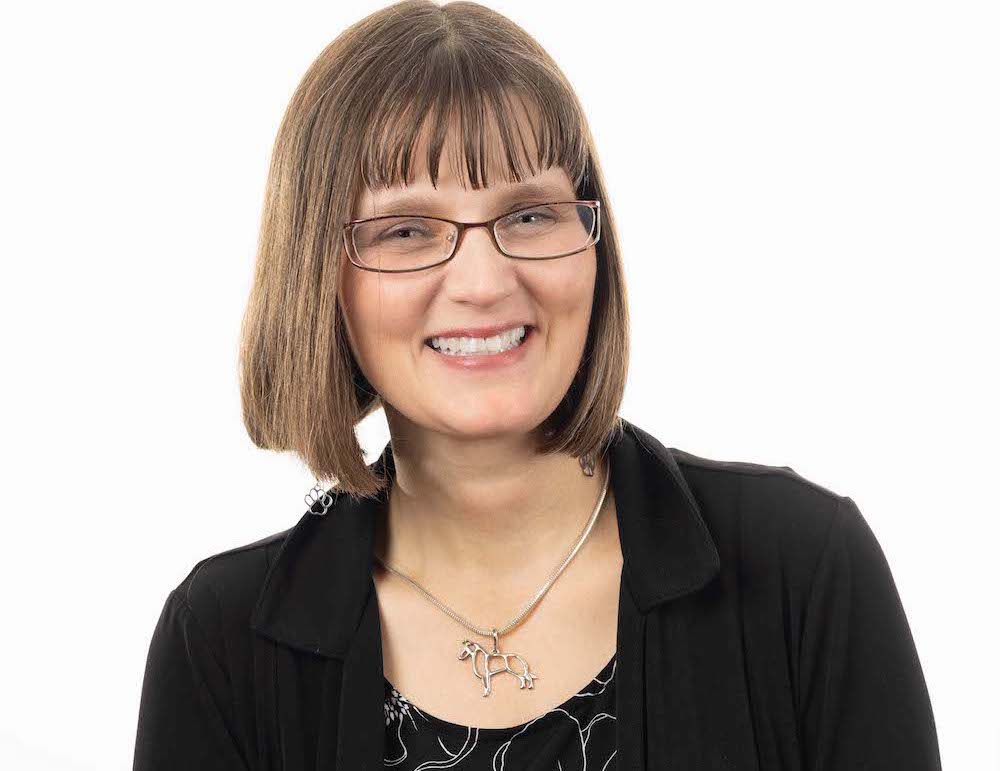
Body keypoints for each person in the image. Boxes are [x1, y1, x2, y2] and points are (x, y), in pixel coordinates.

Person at [132, 1, 942, 769]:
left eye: (529, 215)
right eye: (408, 230)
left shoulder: (805, 570)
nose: (483, 282)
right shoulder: (219, 644)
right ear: (319, 280)